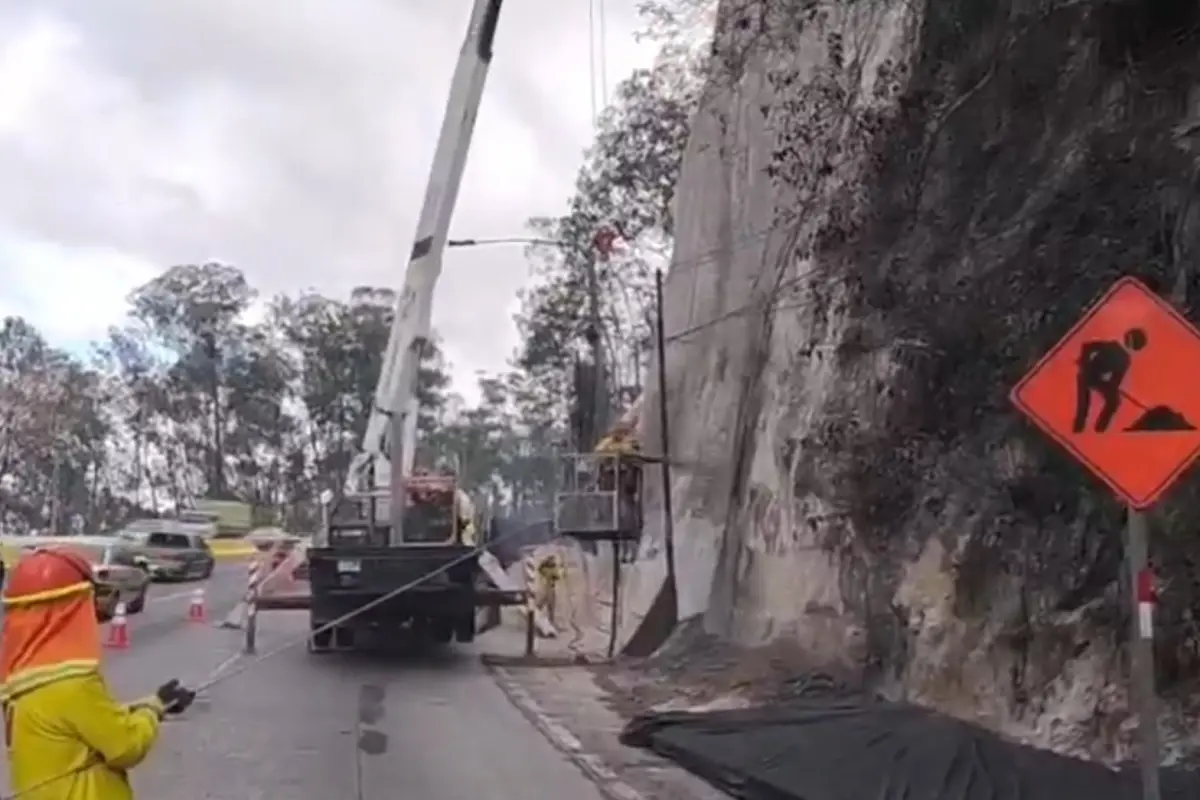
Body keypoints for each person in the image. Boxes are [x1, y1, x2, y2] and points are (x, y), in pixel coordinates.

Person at [1, 547, 196, 800]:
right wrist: (152, 712)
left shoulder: (24, 675)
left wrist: (152, 702)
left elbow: (79, 722)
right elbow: (126, 747)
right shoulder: (73, 682)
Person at [1073, 328, 1147, 433]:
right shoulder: (1112, 346)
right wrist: (1084, 363)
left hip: (1099, 380)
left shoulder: (1125, 361)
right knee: (1083, 409)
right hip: (1087, 374)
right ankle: (1077, 430)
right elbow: (1087, 346)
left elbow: (1115, 381)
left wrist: (1112, 387)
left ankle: (1100, 430)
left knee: (1115, 400)